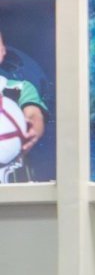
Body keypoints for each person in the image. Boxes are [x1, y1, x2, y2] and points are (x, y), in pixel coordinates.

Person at [0, 29, 47, 182]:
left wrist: (34, 128)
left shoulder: (20, 88)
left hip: (15, 191)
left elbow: (34, 114)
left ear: (3, 51)